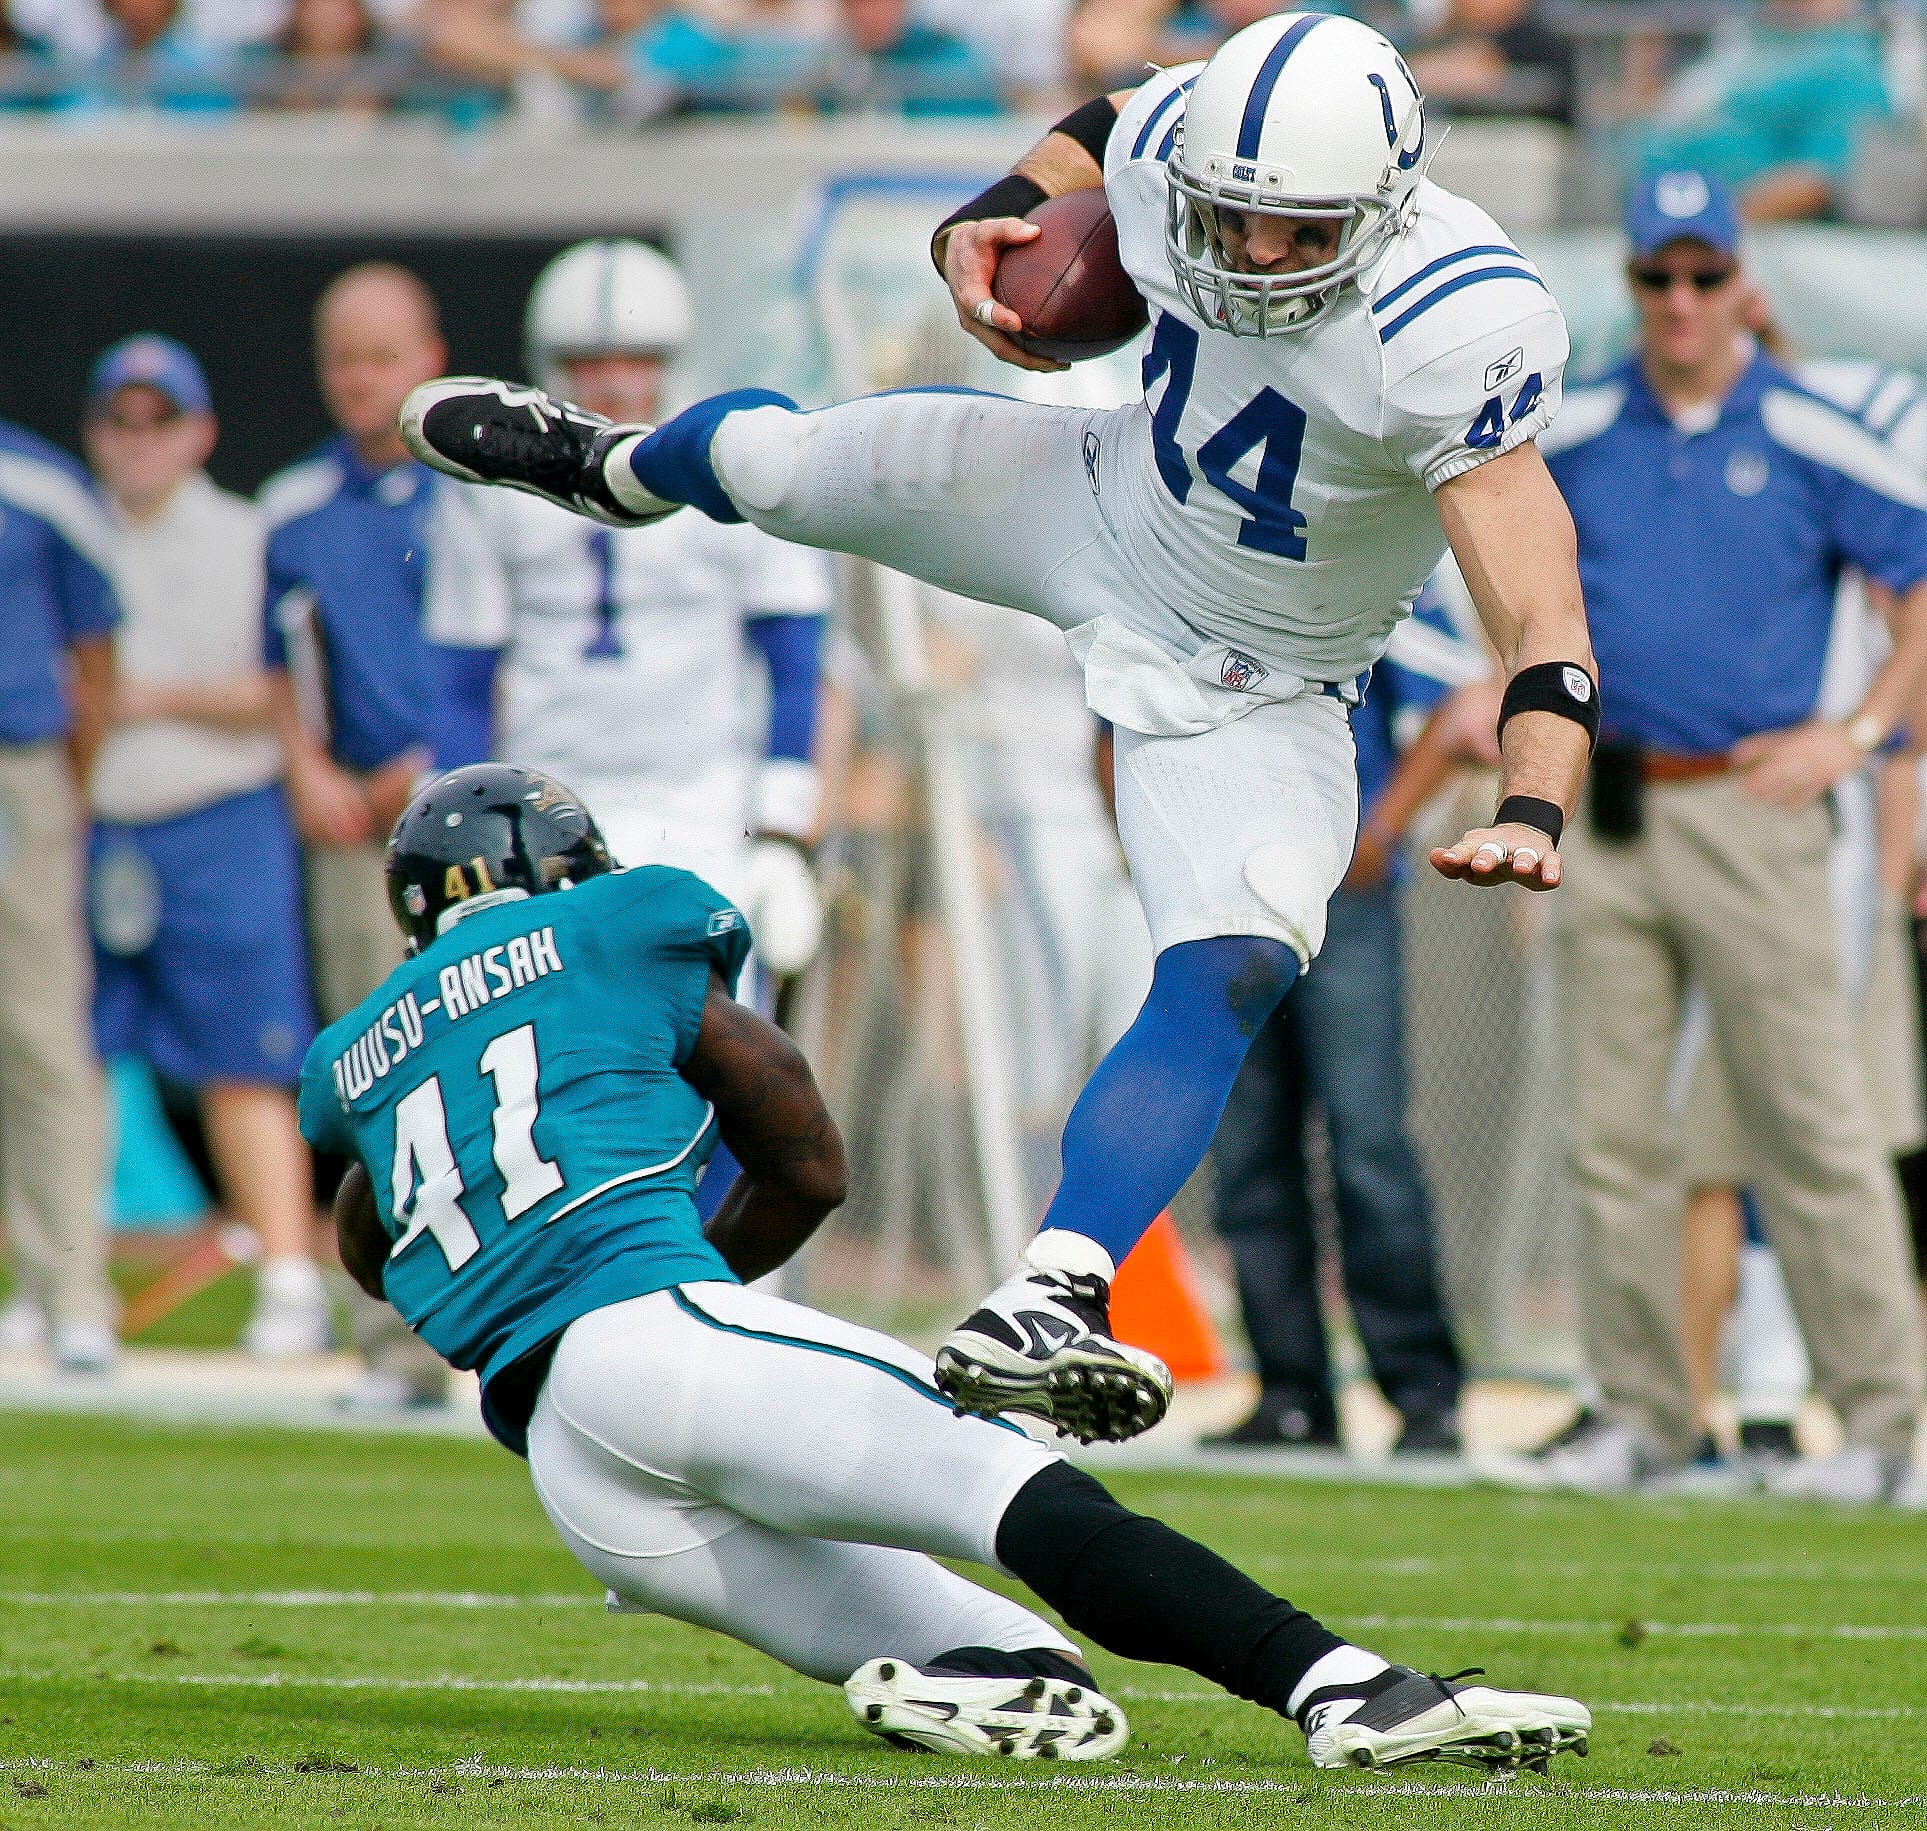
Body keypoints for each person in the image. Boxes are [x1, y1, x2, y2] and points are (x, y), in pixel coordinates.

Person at [401, 10, 1599, 1445]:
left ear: (1386, 204)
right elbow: (1107, 119)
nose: (1258, 258)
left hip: (1257, 677)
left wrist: (1531, 806)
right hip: (1091, 499)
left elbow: (1542, 620)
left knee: (1236, 956)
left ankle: (1047, 1291)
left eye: (1298, 231)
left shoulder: (1452, 322)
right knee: (776, 458)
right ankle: (606, 465)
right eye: (1234, 221)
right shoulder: (1179, 145)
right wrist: (1000, 210)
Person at [306, 758, 1592, 1774]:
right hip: (654, 1336)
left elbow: (369, 1243)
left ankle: (951, 1685)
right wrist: (680, 1279)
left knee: (1039, 1675)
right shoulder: (616, 923)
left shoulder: (356, 1051)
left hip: (579, 1476)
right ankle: (1344, 1688)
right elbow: (804, 1149)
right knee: (1025, 1494)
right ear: (572, 863)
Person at [1532, 169, 1927, 1503]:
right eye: (1657, 278)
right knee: (1608, 1133)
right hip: (1612, 801)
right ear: (1631, 284)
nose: (1682, 302)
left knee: (1809, 1126)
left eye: (1703, 277)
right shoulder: (1578, 429)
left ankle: (1881, 1425)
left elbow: (1915, 585)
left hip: (1754, 811)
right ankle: (1639, 1414)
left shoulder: (1816, 431)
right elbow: (1507, 579)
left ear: (1739, 283)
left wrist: (1860, 731)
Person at [434, 238, 831, 962]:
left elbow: (795, 661)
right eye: (591, 362)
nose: (614, 383)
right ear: (550, 366)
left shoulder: (728, 458)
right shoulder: (491, 483)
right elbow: (462, 681)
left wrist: (782, 829)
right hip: (543, 803)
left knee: (714, 1039)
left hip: (704, 804)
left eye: (635, 360)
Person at [262, 261, 499, 1406]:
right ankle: (395, 1343)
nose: (362, 380)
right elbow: (281, 659)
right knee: (373, 1072)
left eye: (382, 355)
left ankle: (512, 1324)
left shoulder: (486, 484)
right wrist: (305, 763)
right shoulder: (297, 510)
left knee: (500, 1070)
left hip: (490, 837)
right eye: (345, 359)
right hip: (364, 826)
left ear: (430, 352)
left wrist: (454, 768)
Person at [80, 334, 330, 1359]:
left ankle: (287, 1277)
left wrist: (140, 696)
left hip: (218, 817)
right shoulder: (70, 526)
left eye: (159, 420)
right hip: (101, 818)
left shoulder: (248, 534)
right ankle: (67, 1281)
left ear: (200, 432)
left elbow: (279, 686)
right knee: (76, 1055)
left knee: (246, 1059)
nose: (139, 441)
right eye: (121, 421)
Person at [1205, 607, 1474, 1455]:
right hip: (1218, 897)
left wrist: (1382, 826)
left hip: (1339, 893)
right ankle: (1289, 1392)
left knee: (1367, 1144)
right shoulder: (1173, 534)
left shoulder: (1359, 531)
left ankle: (1421, 1390)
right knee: (1246, 1150)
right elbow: (1108, 727)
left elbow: (1454, 703)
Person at [0, 411, 120, 1372]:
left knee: (38, 1032)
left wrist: (64, 789)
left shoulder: (39, 483)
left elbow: (96, 657)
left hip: (16, 766)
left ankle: (69, 1290)